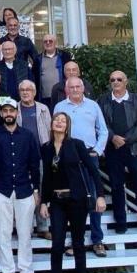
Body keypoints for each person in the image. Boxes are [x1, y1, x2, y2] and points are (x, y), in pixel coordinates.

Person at [39, 112, 106, 273]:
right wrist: (44, 202)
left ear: (67, 126)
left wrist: (100, 195)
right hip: (57, 202)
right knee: (57, 245)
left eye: (63, 121)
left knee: (77, 245)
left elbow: (93, 171)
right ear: (51, 124)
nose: (59, 123)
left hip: (76, 201)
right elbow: (47, 178)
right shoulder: (46, 148)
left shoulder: (76, 145)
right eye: (56, 120)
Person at [0, 98, 41, 273]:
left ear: (17, 113)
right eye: (5, 111)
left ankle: (26, 272)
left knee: (25, 233)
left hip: (25, 189)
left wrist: (36, 189)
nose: (9, 114)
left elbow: (35, 164)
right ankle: (7, 272)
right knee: (4, 232)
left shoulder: (27, 136)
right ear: (1, 114)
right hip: (2, 189)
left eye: (12, 110)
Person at [54, 76, 109, 257]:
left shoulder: (93, 105)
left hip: (89, 155)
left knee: (93, 197)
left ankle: (97, 240)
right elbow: (56, 130)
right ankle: (75, 239)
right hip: (68, 158)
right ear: (67, 89)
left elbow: (103, 130)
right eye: (72, 87)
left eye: (78, 86)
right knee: (73, 199)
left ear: (83, 88)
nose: (75, 89)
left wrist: (98, 150)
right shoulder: (60, 107)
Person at [98, 71, 137, 233]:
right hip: (113, 149)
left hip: (134, 149)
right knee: (116, 186)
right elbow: (100, 123)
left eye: (119, 79)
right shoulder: (103, 101)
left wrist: (125, 140)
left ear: (126, 81)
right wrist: (113, 137)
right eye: (112, 79)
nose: (115, 82)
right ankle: (120, 223)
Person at [17, 80, 52, 239]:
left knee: (41, 190)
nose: (25, 92)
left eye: (29, 90)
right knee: (24, 192)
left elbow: (50, 130)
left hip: (41, 155)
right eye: (22, 90)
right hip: (20, 156)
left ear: (35, 92)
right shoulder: (14, 109)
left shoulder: (43, 109)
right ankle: (26, 228)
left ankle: (43, 226)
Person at [33, 34, 72, 108]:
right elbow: (34, 77)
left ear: (55, 43)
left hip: (62, 95)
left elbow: (70, 73)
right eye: (45, 41)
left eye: (50, 41)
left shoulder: (64, 56)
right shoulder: (38, 59)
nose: (48, 43)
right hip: (44, 98)